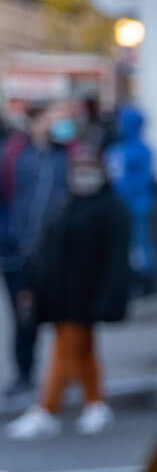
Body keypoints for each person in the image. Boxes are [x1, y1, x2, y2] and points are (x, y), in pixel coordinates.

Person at [7, 142, 131, 440]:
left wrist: (110, 298)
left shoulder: (111, 208)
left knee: (64, 351)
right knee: (84, 351)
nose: (84, 175)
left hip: (88, 294)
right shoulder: (67, 203)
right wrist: (33, 286)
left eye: (90, 168)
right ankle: (96, 404)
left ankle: (47, 410)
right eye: (79, 169)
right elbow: (46, 250)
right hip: (61, 294)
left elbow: (116, 259)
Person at [1, 106, 80, 410]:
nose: (55, 124)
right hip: (18, 252)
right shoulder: (13, 155)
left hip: (61, 254)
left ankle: (67, 374)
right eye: (48, 119)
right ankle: (24, 375)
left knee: (68, 317)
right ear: (33, 123)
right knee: (23, 319)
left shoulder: (69, 155)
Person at [105, 104, 157, 298]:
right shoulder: (117, 148)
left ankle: (145, 281)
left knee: (140, 243)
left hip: (137, 205)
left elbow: (143, 179)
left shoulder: (143, 150)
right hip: (119, 206)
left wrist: (126, 195)